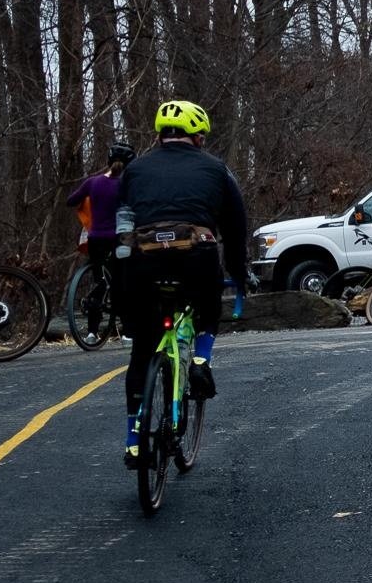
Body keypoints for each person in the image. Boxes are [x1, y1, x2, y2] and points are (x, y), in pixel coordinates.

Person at [117, 100, 253, 466]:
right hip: (196, 258)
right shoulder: (216, 169)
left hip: (143, 260)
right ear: (196, 135)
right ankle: (199, 360)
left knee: (141, 351)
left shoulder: (134, 170)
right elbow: (236, 229)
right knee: (208, 306)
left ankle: (133, 442)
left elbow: (121, 223)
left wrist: (120, 273)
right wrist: (239, 274)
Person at [66, 142, 134, 340]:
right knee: (122, 282)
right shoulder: (127, 185)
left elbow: (70, 201)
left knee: (99, 282)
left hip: (95, 239)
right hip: (119, 239)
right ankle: (128, 333)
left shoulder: (92, 182)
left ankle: (91, 333)